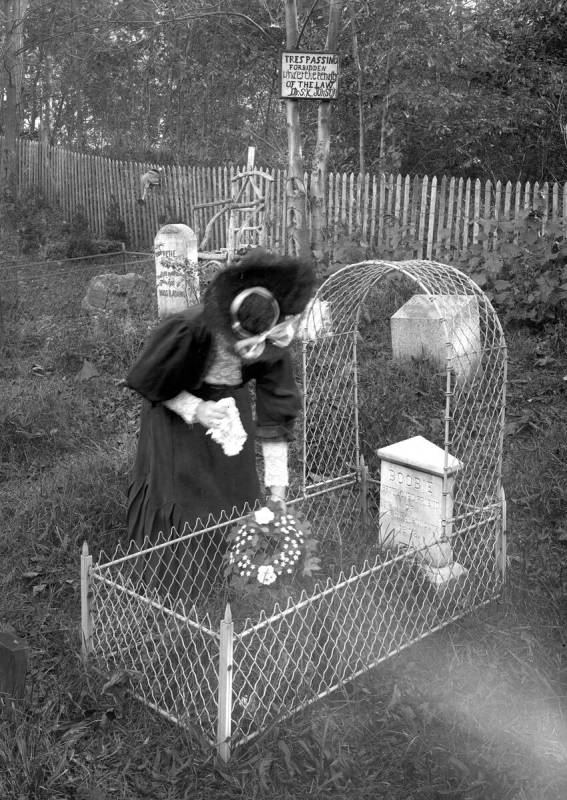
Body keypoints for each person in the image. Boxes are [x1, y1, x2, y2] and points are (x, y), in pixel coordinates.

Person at [126, 247, 316, 603]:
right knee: (185, 492)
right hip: (176, 414)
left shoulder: (272, 335)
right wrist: (194, 408)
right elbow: (149, 383)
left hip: (230, 410)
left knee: (234, 486)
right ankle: (177, 588)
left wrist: (277, 486)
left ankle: (232, 575)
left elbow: (276, 412)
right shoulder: (187, 329)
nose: (252, 353)